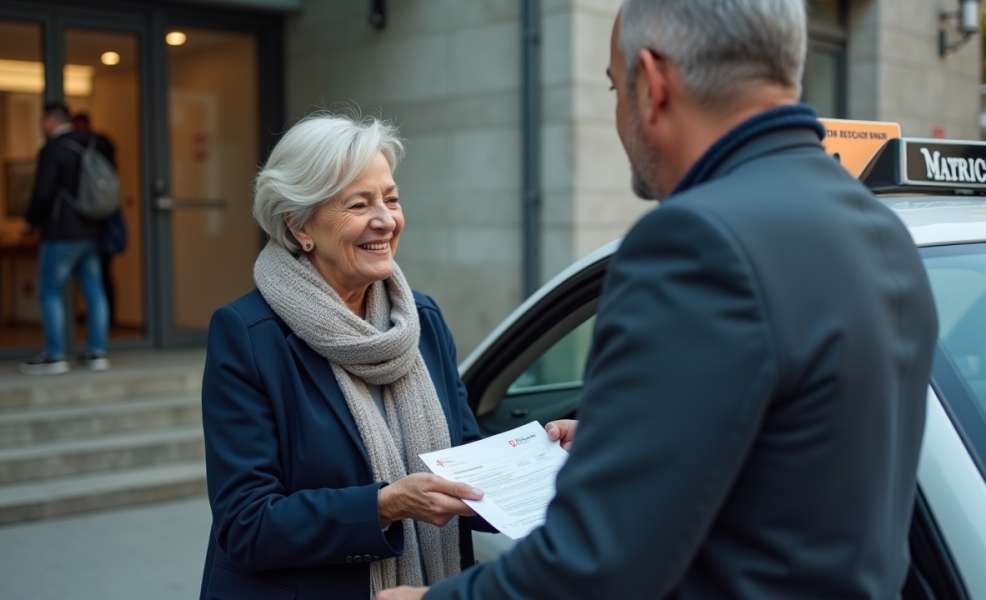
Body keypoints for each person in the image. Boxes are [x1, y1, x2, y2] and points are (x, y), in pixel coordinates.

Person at [379, 1, 938, 599]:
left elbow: (594, 566)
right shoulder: (881, 230)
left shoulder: (697, 242)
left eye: (616, 88)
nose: (619, 114)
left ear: (653, 82)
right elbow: (793, 461)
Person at [199, 113, 492, 600]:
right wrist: (384, 505)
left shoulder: (420, 319)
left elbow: (464, 460)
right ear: (299, 224)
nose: (385, 219)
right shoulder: (248, 335)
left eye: (391, 199)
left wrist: (543, 458)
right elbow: (246, 524)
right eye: (359, 204)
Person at [21, 101, 111, 375]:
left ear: (50, 121)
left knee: (50, 290)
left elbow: (43, 191)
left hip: (61, 233)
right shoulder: (94, 143)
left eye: (42, 121)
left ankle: (56, 355)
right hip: (91, 230)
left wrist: (31, 221)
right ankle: (96, 354)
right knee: (95, 292)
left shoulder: (53, 149)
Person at [73, 112, 126, 327]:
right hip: (96, 224)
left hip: (96, 225)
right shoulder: (100, 149)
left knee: (101, 277)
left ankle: (107, 322)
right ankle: (103, 325)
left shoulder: (92, 148)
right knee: (99, 278)